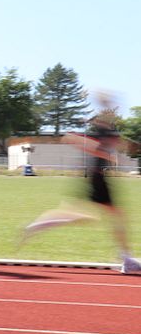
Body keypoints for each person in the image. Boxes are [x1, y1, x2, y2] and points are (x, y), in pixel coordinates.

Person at [24, 115, 141, 274]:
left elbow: (117, 143)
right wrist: (106, 154)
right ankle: (126, 259)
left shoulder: (106, 133)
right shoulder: (102, 134)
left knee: (92, 216)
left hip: (97, 180)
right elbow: (74, 139)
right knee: (103, 217)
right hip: (98, 181)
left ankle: (37, 226)